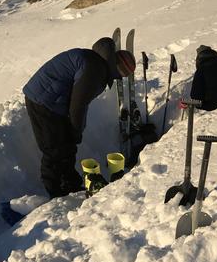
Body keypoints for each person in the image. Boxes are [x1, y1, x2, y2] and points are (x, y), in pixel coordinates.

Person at [23, 37, 136, 198]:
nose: (120, 78)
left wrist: (74, 131)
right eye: (123, 74)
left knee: (66, 145)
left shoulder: (96, 61)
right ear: (118, 69)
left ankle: (70, 182)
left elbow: (79, 99)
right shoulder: (96, 70)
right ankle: (54, 191)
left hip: (54, 100)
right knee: (54, 149)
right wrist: (76, 130)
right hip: (43, 100)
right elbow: (78, 104)